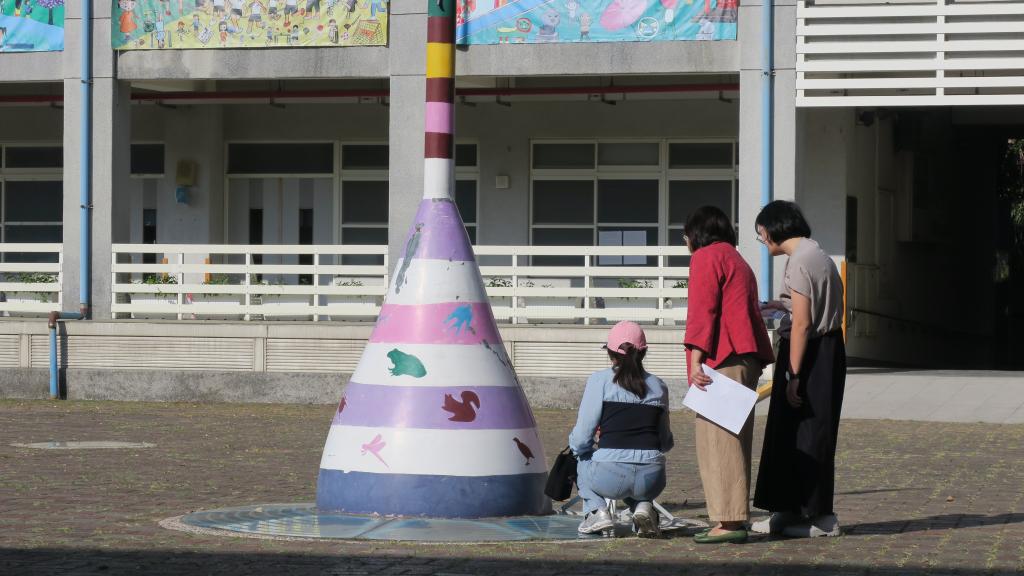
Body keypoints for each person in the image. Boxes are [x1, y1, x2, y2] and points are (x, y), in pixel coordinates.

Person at [752, 200, 846, 538]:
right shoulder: (816, 253)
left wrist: (793, 374)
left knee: (808, 435)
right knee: (792, 433)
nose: (761, 239)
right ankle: (788, 509)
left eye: (761, 233)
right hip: (825, 347)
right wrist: (780, 307)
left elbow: (803, 323)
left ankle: (821, 518)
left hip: (810, 353)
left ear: (774, 229)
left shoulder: (800, 261)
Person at [683, 205, 774, 544]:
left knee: (717, 440)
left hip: (723, 356)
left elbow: (702, 309)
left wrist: (696, 359)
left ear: (697, 234)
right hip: (744, 356)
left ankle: (729, 521)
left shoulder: (706, 257)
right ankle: (731, 516)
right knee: (733, 437)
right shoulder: (737, 259)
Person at [569, 321, 674, 538]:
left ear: (610, 353)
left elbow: (581, 438)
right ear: (643, 352)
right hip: (652, 479)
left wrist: (580, 450)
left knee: (582, 457)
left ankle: (597, 512)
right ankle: (643, 506)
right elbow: (665, 443)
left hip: (609, 476)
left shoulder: (599, 381)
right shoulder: (659, 386)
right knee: (633, 479)